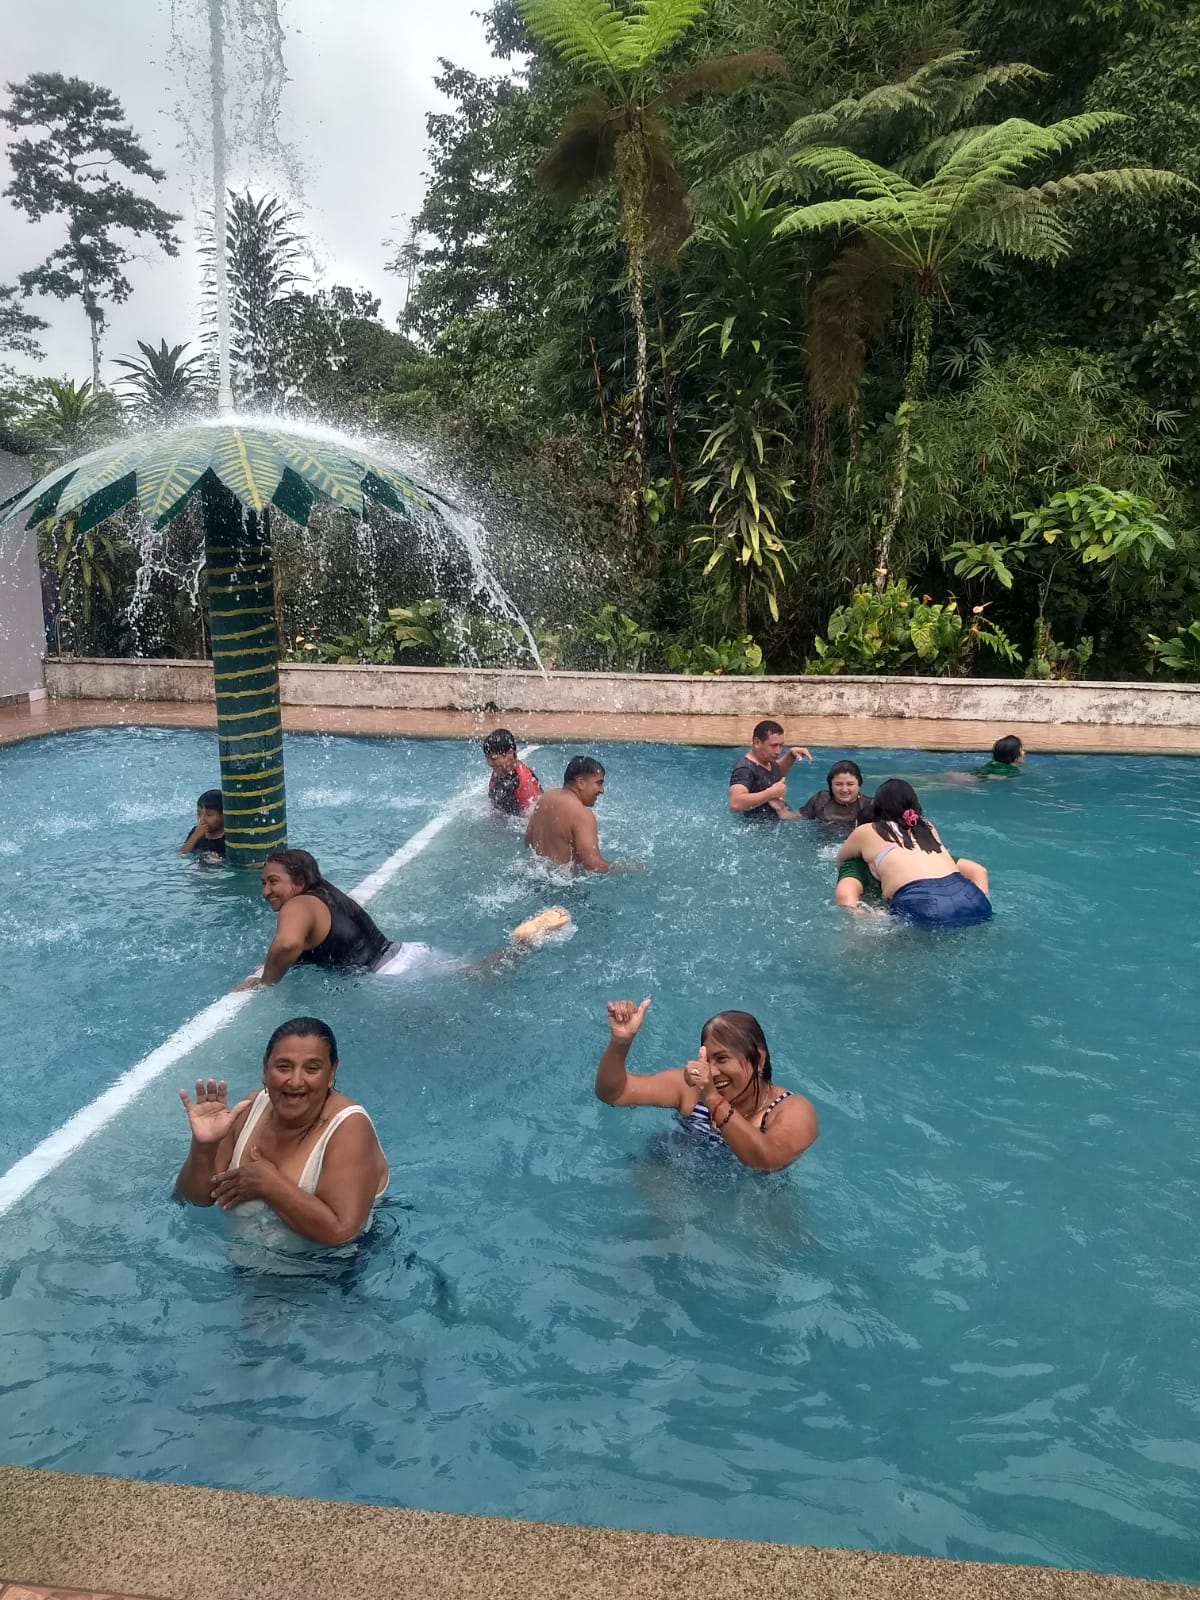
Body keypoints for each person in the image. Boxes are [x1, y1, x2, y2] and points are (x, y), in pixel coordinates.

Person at [174, 1016, 388, 1245]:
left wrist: (268, 1184)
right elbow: (190, 1200)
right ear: (265, 1069)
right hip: (239, 1261)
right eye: (283, 1067)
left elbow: (343, 1233)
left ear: (331, 1073)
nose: (295, 1081)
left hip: (336, 1266)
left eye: (312, 1069)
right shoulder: (251, 1109)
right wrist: (203, 1148)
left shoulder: (349, 1128)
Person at [235, 847, 568, 989]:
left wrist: (266, 984)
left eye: (273, 882)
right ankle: (522, 943)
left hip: (390, 977)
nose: (266, 891)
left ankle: (523, 942)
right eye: (263, 883)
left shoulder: (297, 906)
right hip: (404, 952)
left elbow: (287, 944)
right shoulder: (327, 895)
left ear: (299, 881)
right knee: (476, 975)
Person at [595, 998, 818, 1171]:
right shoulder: (691, 1090)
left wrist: (713, 1099)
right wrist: (620, 1042)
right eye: (708, 1061)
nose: (712, 1072)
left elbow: (768, 1161)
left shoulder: (792, 1109)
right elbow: (613, 1094)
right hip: (674, 1179)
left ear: (759, 1059)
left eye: (722, 1059)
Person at [836, 778, 992, 927]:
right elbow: (980, 871)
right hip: (973, 899)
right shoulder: (928, 826)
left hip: (922, 902)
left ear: (878, 806)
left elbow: (841, 861)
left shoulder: (867, 830)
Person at [524, 756, 641, 872]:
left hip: (536, 874)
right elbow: (593, 865)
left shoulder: (545, 798)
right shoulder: (582, 814)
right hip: (564, 882)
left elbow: (528, 841)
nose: (602, 790)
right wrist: (628, 868)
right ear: (581, 783)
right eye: (599, 783)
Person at [728, 720, 813, 821]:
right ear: (757, 742)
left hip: (779, 818)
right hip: (758, 827)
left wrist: (790, 755)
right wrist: (770, 793)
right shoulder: (744, 769)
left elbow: (772, 774)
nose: (778, 751)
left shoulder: (766, 759)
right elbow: (735, 803)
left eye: (781, 745)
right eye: (773, 746)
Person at [483, 728, 542, 816]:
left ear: (510, 753)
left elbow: (534, 817)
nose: (490, 763)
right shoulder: (501, 770)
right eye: (487, 758)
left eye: (494, 758)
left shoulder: (524, 782)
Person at [798, 759, 874, 825]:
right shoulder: (820, 800)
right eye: (838, 784)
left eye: (850, 784)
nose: (844, 790)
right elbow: (796, 819)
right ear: (831, 785)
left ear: (859, 784)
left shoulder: (871, 806)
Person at [179, 788, 226, 859]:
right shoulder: (196, 831)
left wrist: (220, 862)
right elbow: (181, 853)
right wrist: (195, 836)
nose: (202, 819)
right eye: (199, 814)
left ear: (223, 815)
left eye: (209, 815)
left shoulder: (229, 837)